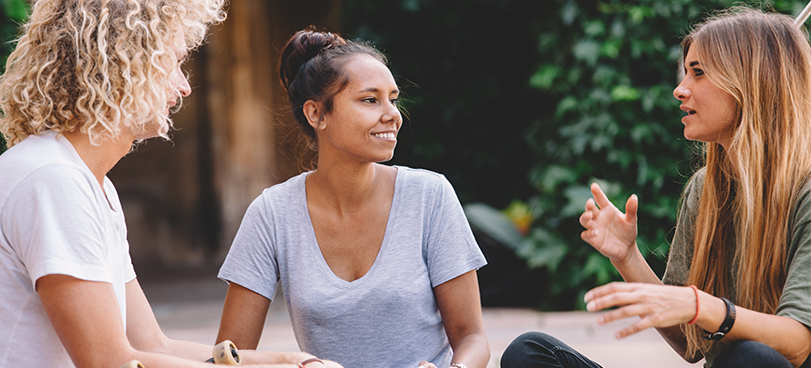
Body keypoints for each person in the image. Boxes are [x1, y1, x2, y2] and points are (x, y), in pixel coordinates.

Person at [0, 1, 339, 367]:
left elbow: (153, 345)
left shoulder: (88, 183)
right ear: (122, 64)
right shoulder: (53, 181)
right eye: (173, 63)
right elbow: (108, 361)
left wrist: (293, 361)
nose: (185, 86)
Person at [501, 7, 811, 368]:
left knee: (754, 359)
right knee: (529, 353)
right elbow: (691, 344)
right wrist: (627, 257)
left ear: (752, 82)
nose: (680, 89)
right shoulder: (706, 190)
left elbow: (798, 344)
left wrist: (703, 306)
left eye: (698, 73)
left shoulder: (804, 191)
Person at [214, 27, 490, 368]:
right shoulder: (273, 214)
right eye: (370, 100)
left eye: (393, 98)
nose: (392, 114)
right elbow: (230, 355)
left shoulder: (429, 197)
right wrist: (296, 363)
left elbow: (472, 338)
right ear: (317, 114)